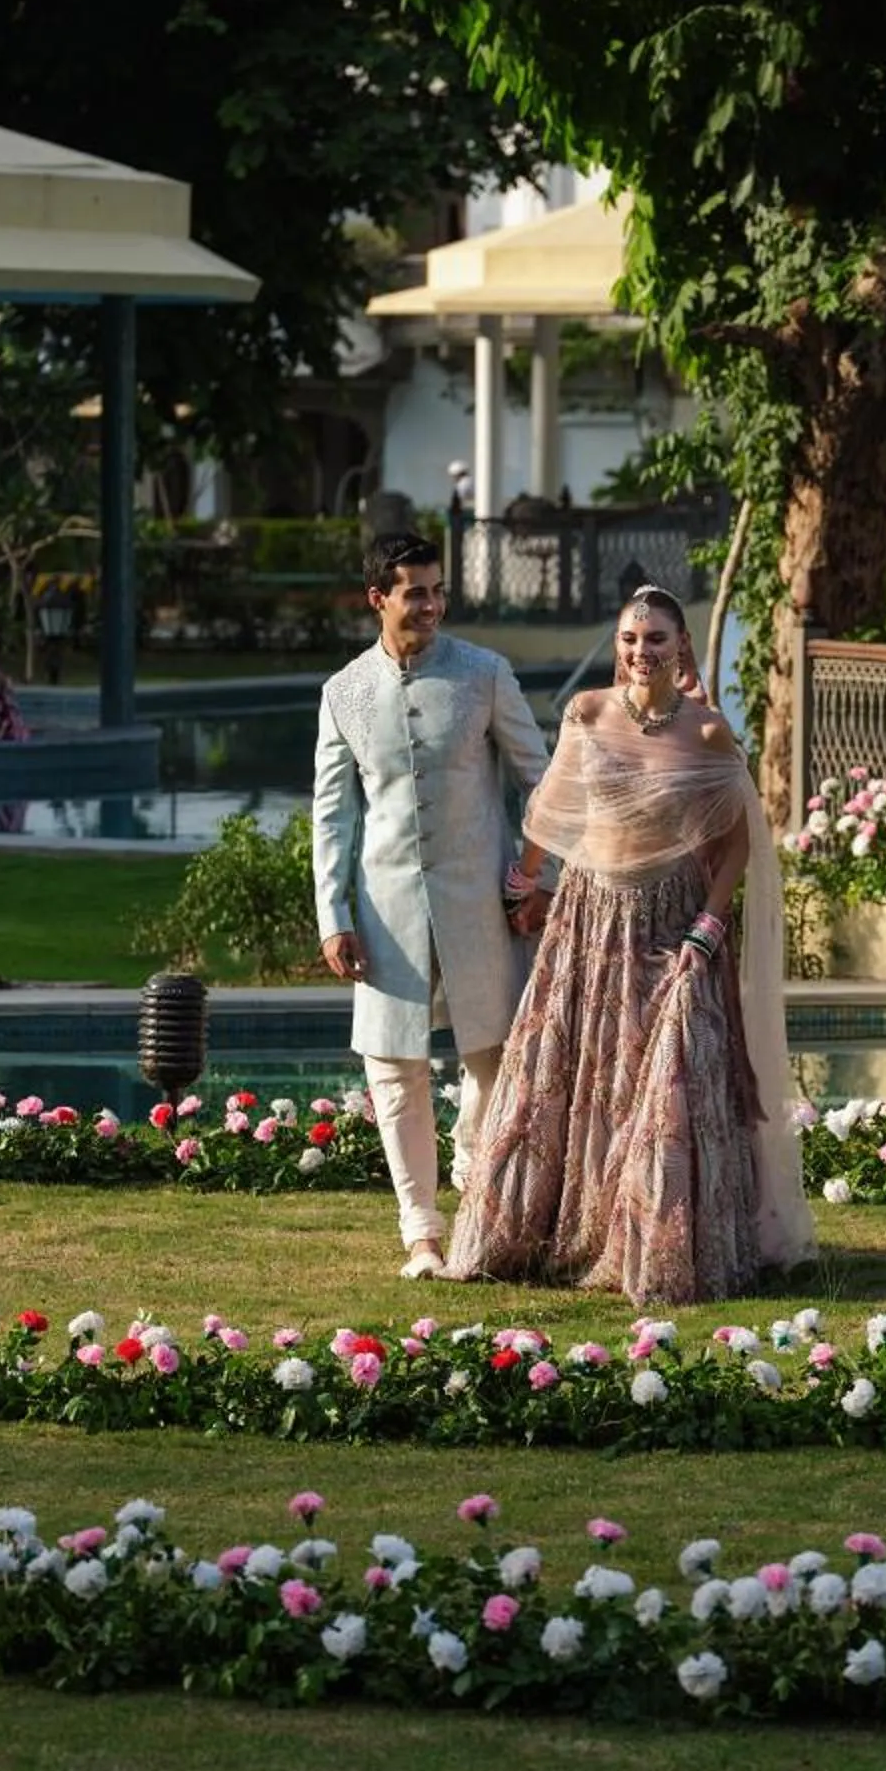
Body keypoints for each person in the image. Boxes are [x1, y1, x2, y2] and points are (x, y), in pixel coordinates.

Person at [446, 585, 813, 1304]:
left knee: (674, 1078)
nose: (640, 652)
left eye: (655, 640)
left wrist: (708, 927)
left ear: (680, 648)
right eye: (629, 639)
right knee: (570, 1081)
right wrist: (524, 885)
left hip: (674, 923)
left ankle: (663, 1246)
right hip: (587, 921)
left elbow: (737, 845)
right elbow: (549, 814)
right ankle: (545, 1235)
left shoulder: (709, 735)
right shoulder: (587, 714)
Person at [311, 532, 552, 1279]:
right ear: (377, 599)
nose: (432, 605)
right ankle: (420, 1234)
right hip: (384, 913)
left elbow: (538, 781)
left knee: (493, 1060)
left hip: (481, 901)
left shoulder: (484, 674)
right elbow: (332, 815)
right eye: (416, 591)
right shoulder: (343, 691)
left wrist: (536, 876)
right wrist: (333, 915)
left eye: (438, 590)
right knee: (393, 1072)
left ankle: (475, 1185)